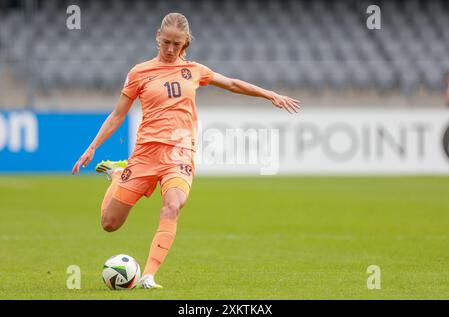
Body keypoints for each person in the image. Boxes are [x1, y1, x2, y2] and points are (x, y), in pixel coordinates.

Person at [72, 12, 300, 289]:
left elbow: (232, 84)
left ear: (185, 43)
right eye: (166, 42)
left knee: (173, 205)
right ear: (158, 36)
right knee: (109, 223)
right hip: (145, 153)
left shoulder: (194, 70)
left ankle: (148, 275)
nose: (170, 49)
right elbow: (118, 115)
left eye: (176, 44)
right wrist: (93, 146)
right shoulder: (139, 72)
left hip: (179, 153)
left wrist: (270, 94)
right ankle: (119, 175)